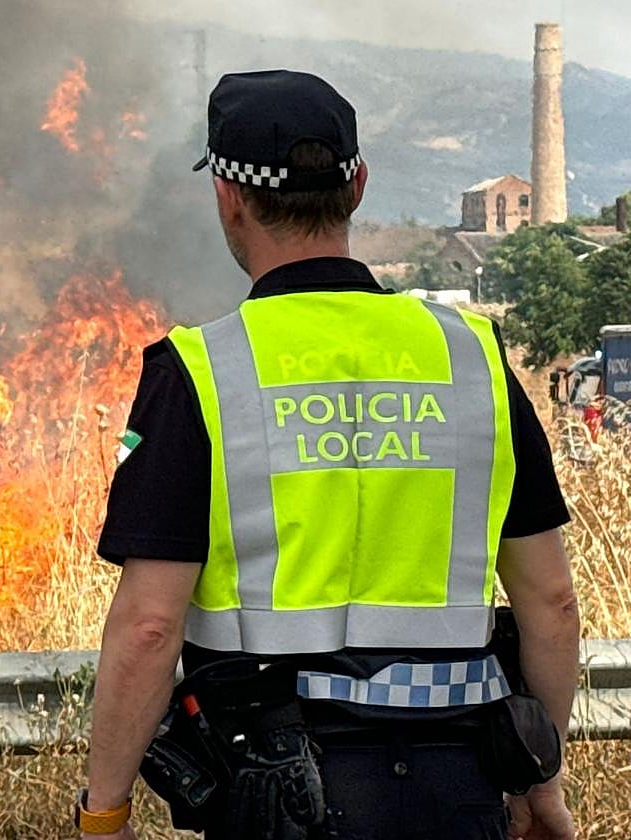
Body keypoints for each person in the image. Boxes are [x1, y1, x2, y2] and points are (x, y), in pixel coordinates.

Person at [75, 70, 579, 840]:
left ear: (227, 197)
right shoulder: (473, 358)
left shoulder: (201, 372)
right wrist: (538, 779)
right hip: (459, 789)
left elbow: (149, 627)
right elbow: (552, 604)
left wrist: (103, 816)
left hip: (274, 795)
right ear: (360, 186)